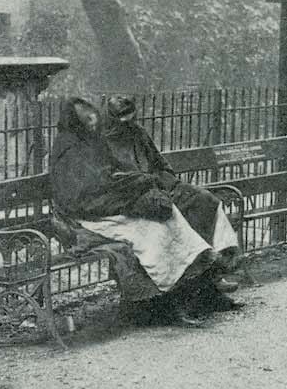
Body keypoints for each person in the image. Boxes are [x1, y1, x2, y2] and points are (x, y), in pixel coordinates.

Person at [49, 97, 237, 326]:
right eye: (87, 119)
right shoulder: (68, 150)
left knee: (179, 214)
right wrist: (127, 198)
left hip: (113, 205)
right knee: (156, 229)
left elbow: (117, 176)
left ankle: (201, 286)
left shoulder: (94, 142)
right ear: (74, 122)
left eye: (93, 117)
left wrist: (137, 188)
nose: (93, 122)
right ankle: (167, 301)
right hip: (89, 216)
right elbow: (79, 199)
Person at [102, 95, 242, 280]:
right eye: (122, 118)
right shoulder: (101, 143)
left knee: (204, 200)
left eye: (131, 116)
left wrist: (168, 182)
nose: (128, 122)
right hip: (131, 197)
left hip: (158, 187)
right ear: (112, 118)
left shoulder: (138, 133)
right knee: (171, 217)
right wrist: (142, 183)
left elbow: (159, 163)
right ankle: (196, 274)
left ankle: (216, 266)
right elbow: (108, 181)